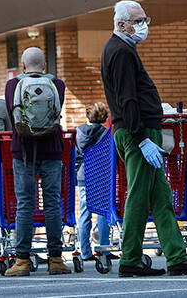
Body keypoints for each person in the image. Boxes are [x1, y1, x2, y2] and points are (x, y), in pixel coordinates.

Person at [101, 0, 187, 277]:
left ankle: (177, 258)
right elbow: (126, 98)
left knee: (161, 196)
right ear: (121, 24)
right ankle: (130, 259)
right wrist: (141, 138)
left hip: (139, 130)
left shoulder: (120, 49)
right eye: (137, 21)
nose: (143, 26)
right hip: (137, 132)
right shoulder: (121, 52)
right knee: (139, 197)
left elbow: (128, 96)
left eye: (144, 20)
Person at [4, 47, 71, 276]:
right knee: (52, 203)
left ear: (23, 65)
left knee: (25, 203)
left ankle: (22, 262)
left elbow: (14, 121)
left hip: (23, 152)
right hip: (52, 150)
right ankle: (56, 260)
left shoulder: (12, 85)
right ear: (44, 66)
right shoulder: (58, 85)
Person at [76, 102, 117, 261]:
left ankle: (85, 251)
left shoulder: (78, 132)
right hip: (100, 176)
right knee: (103, 211)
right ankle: (104, 249)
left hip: (83, 176)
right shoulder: (105, 133)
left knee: (85, 212)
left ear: (88, 114)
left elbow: (76, 156)